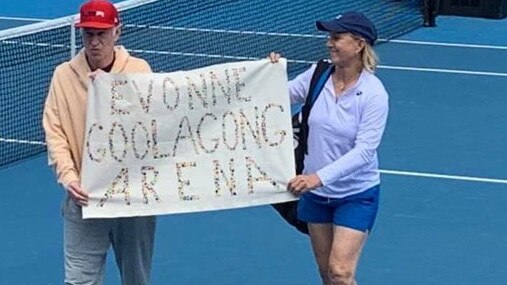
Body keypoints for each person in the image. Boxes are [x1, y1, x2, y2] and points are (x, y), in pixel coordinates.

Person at [270, 12, 389, 285]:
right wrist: (270, 71)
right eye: (329, 37)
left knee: (340, 272)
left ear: (359, 45)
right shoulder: (318, 74)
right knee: (327, 275)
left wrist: (316, 178)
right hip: (316, 196)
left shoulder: (374, 94)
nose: (329, 43)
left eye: (337, 38)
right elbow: (279, 96)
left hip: (356, 195)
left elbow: (364, 152)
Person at [42, 1, 156, 284]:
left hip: (133, 202)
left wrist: (110, 89)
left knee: (137, 279)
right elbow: (55, 134)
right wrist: (69, 179)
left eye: (101, 34)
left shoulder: (140, 71)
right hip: (84, 200)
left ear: (117, 32)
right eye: (88, 34)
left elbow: (154, 125)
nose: (94, 42)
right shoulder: (63, 77)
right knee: (79, 281)